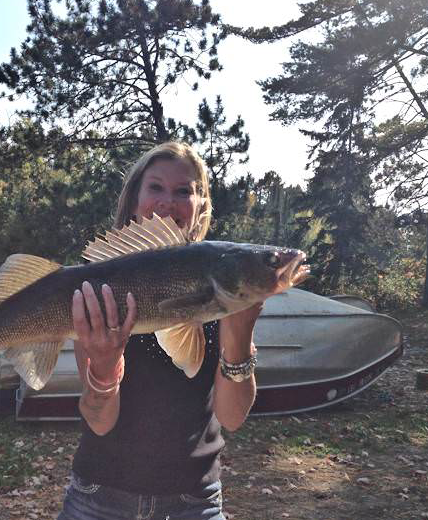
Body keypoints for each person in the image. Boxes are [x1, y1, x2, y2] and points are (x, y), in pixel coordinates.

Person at [57, 141, 281, 520]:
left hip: (195, 503)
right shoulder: (98, 287)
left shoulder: (219, 283)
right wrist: (105, 365)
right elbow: (99, 418)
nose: (167, 201)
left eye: (183, 191)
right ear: (134, 199)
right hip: (98, 499)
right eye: (156, 187)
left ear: (200, 205)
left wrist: (239, 334)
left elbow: (231, 417)